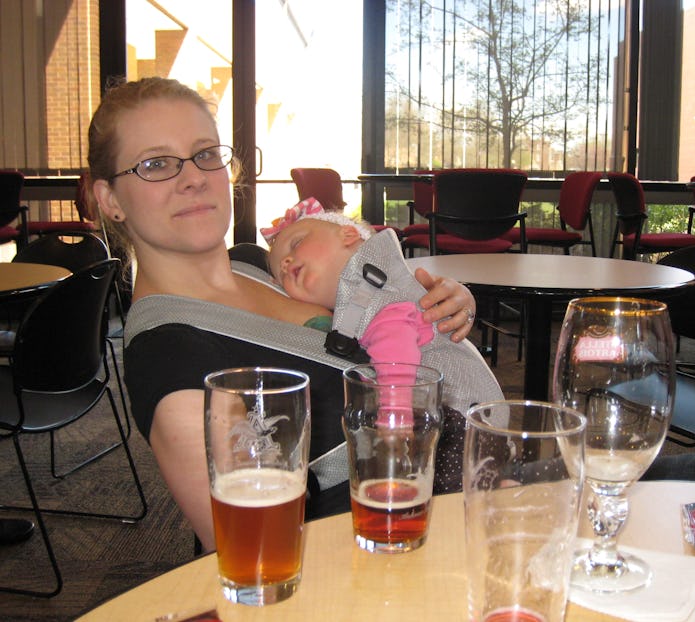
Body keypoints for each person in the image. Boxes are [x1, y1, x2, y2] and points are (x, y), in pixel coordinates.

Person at [87, 76, 479, 552]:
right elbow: (254, 561)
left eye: (206, 153)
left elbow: (373, 307)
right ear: (109, 199)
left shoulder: (257, 263)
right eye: (156, 164)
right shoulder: (175, 366)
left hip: (458, 507)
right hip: (384, 559)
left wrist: (441, 305)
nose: (193, 177)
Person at [260, 198, 504, 492]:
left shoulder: (378, 301)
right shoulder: (367, 299)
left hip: (457, 422)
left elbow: (397, 365)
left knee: (435, 490)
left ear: (349, 236)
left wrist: (394, 428)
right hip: (477, 421)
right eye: (279, 274)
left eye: (296, 243)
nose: (286, 263)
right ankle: (499, 484)